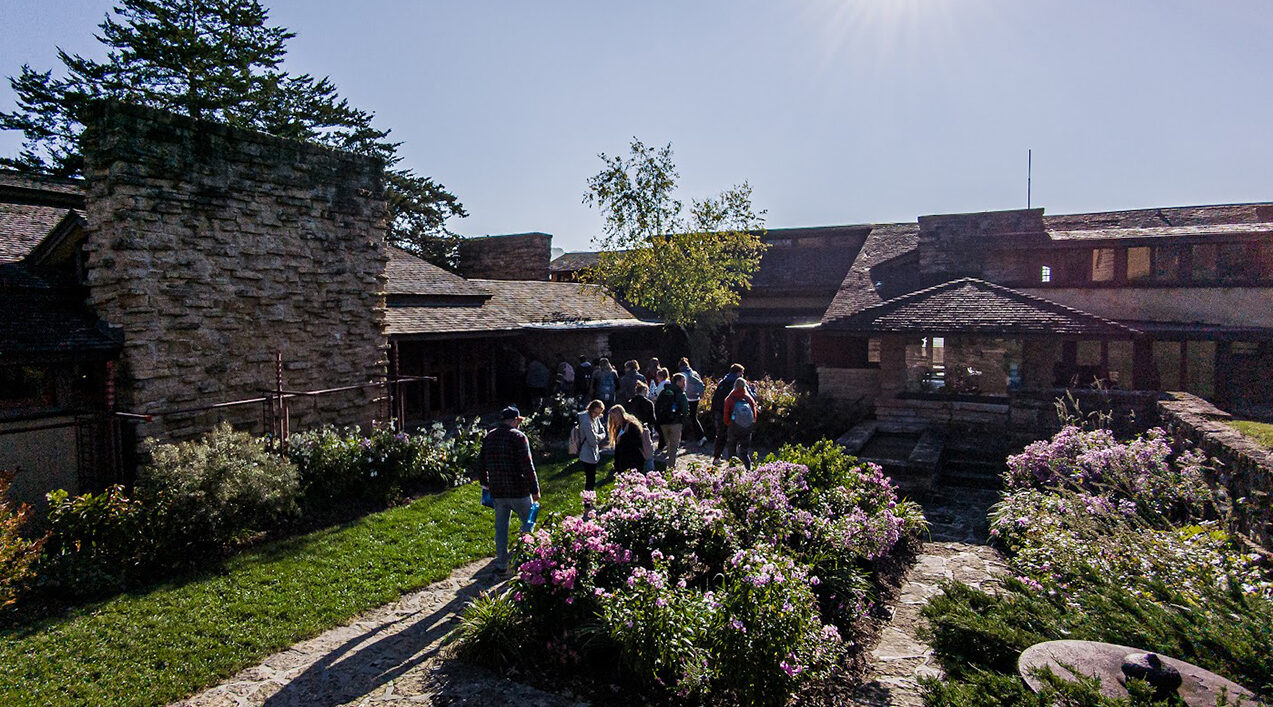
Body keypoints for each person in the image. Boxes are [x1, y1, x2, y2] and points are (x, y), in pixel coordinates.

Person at [477, 406, 541, 576]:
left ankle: (501, 564)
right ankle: (529, 560)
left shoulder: (489, 437)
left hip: (497, 490)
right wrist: (535, 489)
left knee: (501, 529)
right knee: (528, 525)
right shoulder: (519, 437)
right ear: (514, 421)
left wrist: (486, 483)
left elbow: (481, 464)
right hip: (518, 489)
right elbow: (528, 465)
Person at [719, 378, 758, 470]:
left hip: (734, 427)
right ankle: (749, 470)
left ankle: (732, 471)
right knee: (744, 452)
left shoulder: (730, 398)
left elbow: (726, 415)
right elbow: (754, 415)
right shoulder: (749, 398)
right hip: (747, 428)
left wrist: (728, 423)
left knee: (732, 451)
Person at [710, 363, 746, 462]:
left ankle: (716, 457)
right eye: (742, 373)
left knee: (721, 435)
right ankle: (732, 459)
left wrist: (713, 412)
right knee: (733, 437)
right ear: (738, 373)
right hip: (733, 413)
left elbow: (715, 398)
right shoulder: (738, 383)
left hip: (720, 412)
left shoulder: (723, 382)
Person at [656, 372, 690, 469]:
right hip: (676, 422)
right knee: (674, 445)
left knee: (668, 443)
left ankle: (668, 460)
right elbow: (685, 409)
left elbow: (657, 406)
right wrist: (683, 420)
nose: (684, 384)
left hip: (663, 422)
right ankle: (671, 466)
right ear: (677, 382)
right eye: (683, 381)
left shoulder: (663, 392)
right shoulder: (681, 394)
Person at [576, 399, 608, 495]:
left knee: (592, 478)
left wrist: (598, 436)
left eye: (599, 413)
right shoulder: (586, 421)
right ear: (590, 409)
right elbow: (593, 441)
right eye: (595, 412)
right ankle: (587, 502)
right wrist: (599, 437)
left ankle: (590, 499)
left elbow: (603, 432)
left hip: (593, 453)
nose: (597, 415)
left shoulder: (595, 418)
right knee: (590, 480)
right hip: (586, 453)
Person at [608, 404, 647, 474]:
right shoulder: (619, 427)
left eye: (614, 417)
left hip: (633, 460)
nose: (613, 419)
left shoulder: (631, 426)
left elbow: (636, 443)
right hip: (623, 461)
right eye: (611, 417)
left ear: (620, 415)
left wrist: (623, 437)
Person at [678, 357, 707, 446]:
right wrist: (701, 394)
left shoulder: (681, 375)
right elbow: (700, 383)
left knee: (683, 417)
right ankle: (700, 437)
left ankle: (684, 437)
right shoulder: (694, 373)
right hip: (695, 398)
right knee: (693, 417)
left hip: (686, 398)